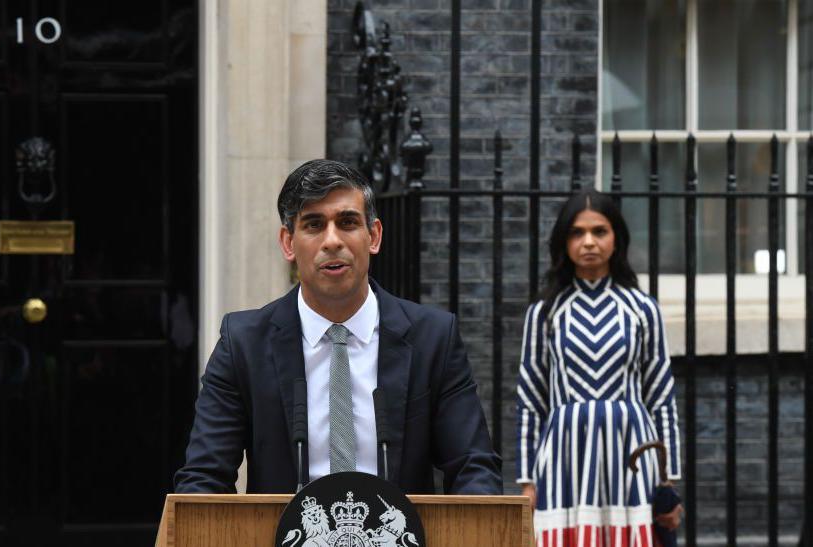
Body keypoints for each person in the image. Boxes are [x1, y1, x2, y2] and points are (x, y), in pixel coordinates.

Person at [175, 159, 502, 494]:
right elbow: (203, 478)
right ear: (288, 243)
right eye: (314, 225)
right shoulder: (243, 343)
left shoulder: (433, 339)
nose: (332, 241)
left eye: (347, 222)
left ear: (373, 236)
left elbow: (474, 468)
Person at [516, 189, 682, 545]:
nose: (588, 242)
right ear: (563, 241)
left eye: (599, 231)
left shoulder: (642, 308)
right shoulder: (543, 312)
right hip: (564, 454)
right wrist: (528, 481)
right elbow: (530, 400)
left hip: (632, 454)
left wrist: (667, 480)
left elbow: (661, 395)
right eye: (577, 232)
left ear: (616, 238)